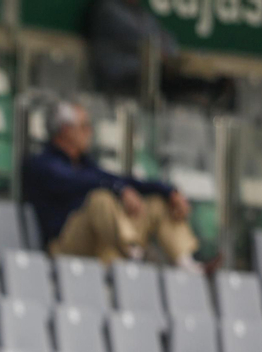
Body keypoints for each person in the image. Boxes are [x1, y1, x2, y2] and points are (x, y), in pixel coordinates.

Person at [23, 100, 198, 269]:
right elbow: (80, 182)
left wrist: (168, 192)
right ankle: (134, 253)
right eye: (84, 126)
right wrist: (119, 190)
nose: (90, 131)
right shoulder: (42, 164)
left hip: (103, 243)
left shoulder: (85, 164)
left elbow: (120, 180)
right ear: (66, 130)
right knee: (100, 199)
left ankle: (185, 263)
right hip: (64, 246)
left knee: (157, 203)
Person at [85, 0, 234, 106]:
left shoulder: (141, 14)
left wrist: (163, 52)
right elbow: (141, 38)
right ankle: (207, 86)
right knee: (167, 77)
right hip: (120, 77)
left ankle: (210, 87)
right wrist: (160, 51)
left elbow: (168, 40)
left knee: (172, 77)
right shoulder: (108, 9)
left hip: (150, 76)